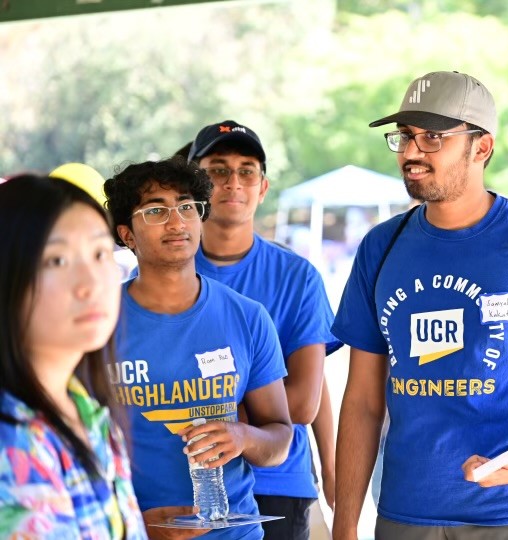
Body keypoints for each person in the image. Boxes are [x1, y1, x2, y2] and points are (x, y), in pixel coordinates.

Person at [331, 70, 508, 540]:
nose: (410, 153)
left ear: (481, 147)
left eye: (433, 137)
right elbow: (362, 401)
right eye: (405, 136)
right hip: (406, 511)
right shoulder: (380, 247)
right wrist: (345, 525)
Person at [103, 158, 293, 540]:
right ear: (127, 235)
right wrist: (134, 525)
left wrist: (243, 437)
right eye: (156, 211)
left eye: (187, 207)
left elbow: (280, 438)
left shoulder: (248, 317)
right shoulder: (98, 322)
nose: (176, 222)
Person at [187, 120, 341, 539]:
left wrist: (331, 467)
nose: (233, 182)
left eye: (247, 171)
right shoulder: (165, 274)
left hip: (277, 482)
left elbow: (306, 400)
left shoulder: (297, 277)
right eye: (218, 170)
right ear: (194, 185)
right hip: (186, 482)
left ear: (263, 187)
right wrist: (257, 411)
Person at [0, 175, 147, 538]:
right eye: (58, 260)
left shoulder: (88, 412)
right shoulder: (12, 439)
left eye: (100, 254)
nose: (90, 283)